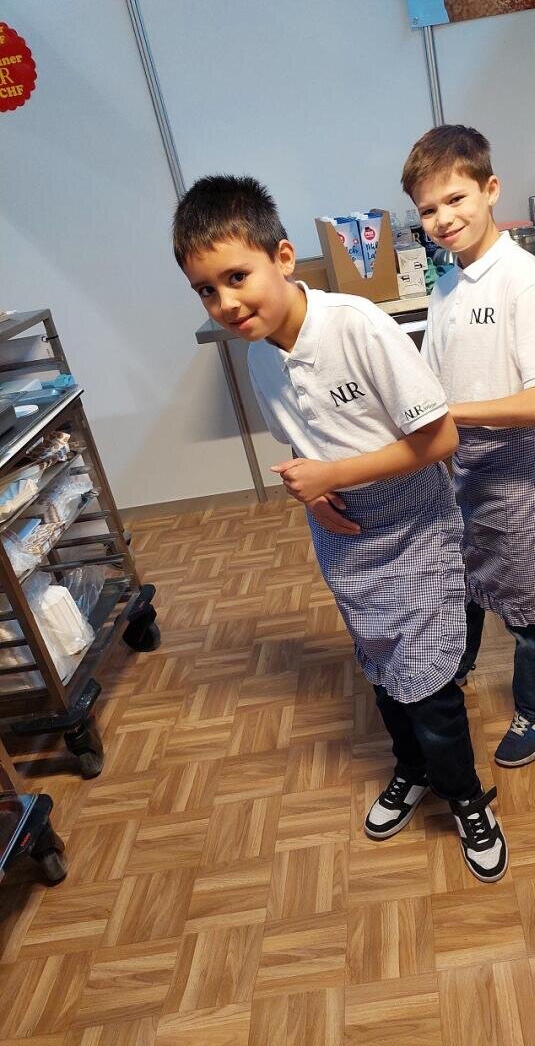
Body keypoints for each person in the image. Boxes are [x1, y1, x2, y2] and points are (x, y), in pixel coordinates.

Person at [172, 175, 507, 882]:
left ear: (283, 257)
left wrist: (334, 477)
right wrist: (312, 494)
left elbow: (440, 438)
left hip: (414, 522)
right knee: (384, 669)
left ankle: (467, 796)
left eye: (237, 277)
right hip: (345, 534)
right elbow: (302, 444)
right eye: (206, 289)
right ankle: (410, 769)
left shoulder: (355, 325)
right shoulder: (261, 353)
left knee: (432, 685)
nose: (226, 303)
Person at [402, 126, 535, 768]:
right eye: (428, 210)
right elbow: (430, 377)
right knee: (470, 576)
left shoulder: (520, 276)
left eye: (455, 199)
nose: (443, 219)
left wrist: (454, 413)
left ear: (490, 189)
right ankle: (460, 665)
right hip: (465, 468)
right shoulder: (448, 284)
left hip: (522, 468)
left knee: (529, 594)